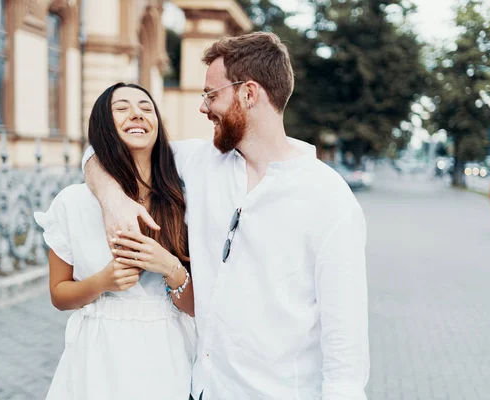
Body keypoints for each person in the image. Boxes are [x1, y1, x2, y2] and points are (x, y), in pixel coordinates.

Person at [83, 32, 369, 399]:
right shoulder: (200, 163)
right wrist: (113, 200)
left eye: (211, 95)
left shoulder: (329, 199)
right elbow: (101, 150)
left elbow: (346, 352)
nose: (203, 107)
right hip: (201, 390)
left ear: (249, 94)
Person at [34, 83, 196, 400]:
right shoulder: (73, 203)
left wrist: (170, 267)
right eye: (121, 108)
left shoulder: (183, 201)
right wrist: (102, 282)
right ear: (104, 127)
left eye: (146, 108)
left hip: (169, 357)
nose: (136, 113)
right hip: (96, 358)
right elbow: (59, 295)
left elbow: (194, 307)